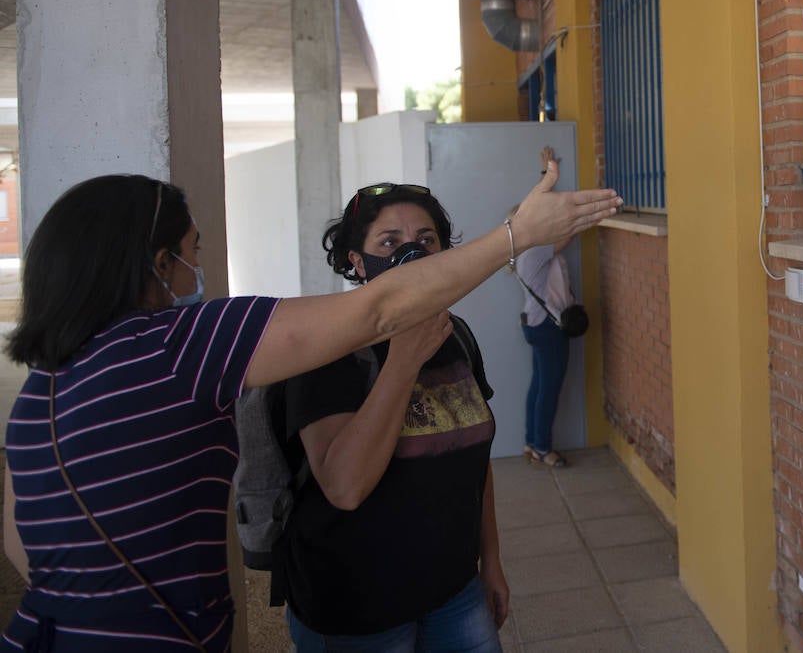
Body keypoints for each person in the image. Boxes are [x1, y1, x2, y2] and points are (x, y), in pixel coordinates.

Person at [1, 167, 618, 652]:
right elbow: (378, 316)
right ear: (158, 265)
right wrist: (518, 235)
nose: (198, 270)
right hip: (322, 610)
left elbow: (24, 545)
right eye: (192, 252)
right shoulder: (182, 344)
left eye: (426, 240)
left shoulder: (39, 396)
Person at [277, 183, 506, 651]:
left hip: (454, 590)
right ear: (357, 262)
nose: (411, 253)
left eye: (426, 240)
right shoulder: (330, 348)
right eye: (389, 242)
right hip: (357, 606)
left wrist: (491, 561)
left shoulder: (455, 333)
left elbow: (472, 459)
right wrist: (403, 360)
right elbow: (344, 486)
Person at [513, 147, 577, 469]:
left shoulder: (524, 253)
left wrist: (546, 175)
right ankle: (542, 447)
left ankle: (530, 442)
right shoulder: (535, 251)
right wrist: (547, 176)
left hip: (535, 324)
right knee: (548, 388)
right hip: (548, 326)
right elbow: (565, 226)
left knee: (538, 385)